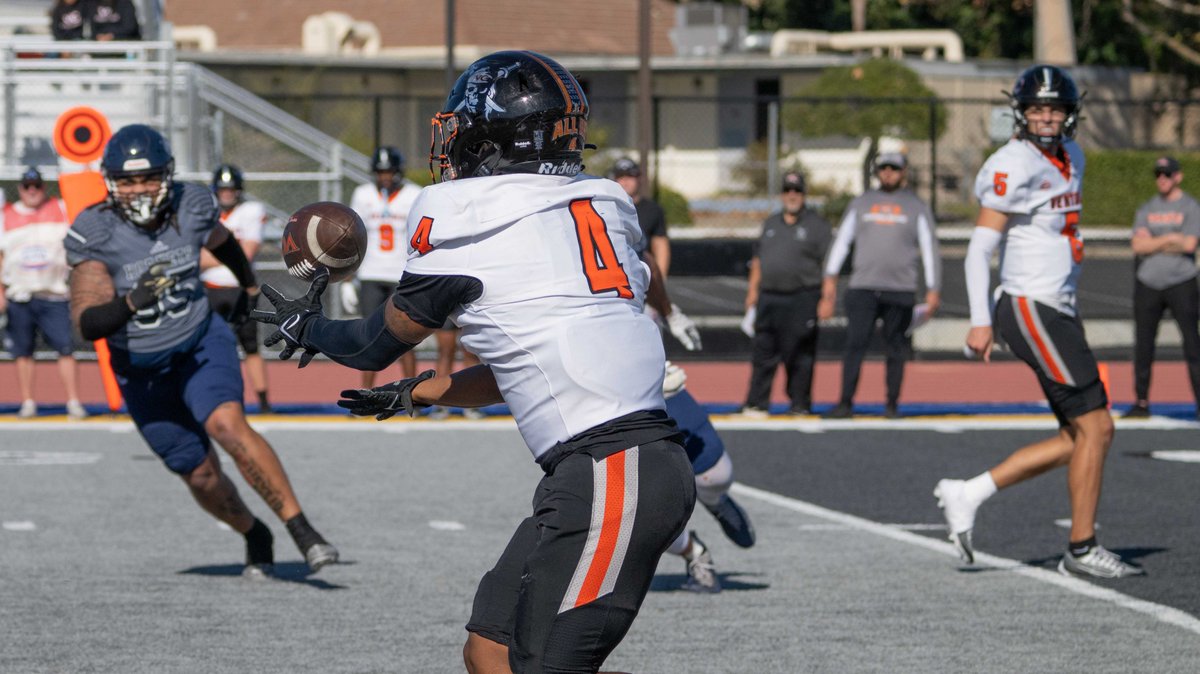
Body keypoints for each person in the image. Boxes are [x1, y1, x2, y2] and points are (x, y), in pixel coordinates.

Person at [254, 51, 695, 673]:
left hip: (613, 471)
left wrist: (308, 326)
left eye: (462, 128)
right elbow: (527, 361)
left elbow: (373, 346)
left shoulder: (466, 216)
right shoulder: (601, 205)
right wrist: (422, 393)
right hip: (606, 470)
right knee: (489, 649)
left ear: (492, 138)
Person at [63, 124, 337, 577]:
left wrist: (249, 285)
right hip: (140, 368)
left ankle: (302, 530)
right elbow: (85, 323)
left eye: (148, 177)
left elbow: (221, 242)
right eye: (128, 180)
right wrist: (131, 301)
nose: (139, 189)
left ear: (166, 176)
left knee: (227, 424)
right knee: (200, 473)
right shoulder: (95, 229)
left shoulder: (190, 204)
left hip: (197, 342)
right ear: (111, 182)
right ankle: (254, 532)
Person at [935, 65, 1144, 578]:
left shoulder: (1074, 156)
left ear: (1070, 114)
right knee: (1099, 425)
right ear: (1020, 113)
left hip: (1057, 307)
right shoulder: (1011, 162)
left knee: (1081, 435)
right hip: (1031, 306)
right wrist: (980, 319)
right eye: (1036, 108)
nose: (1046, 117)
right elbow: (979, 247)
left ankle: (969, 493)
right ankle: (1080, 547)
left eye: (1055, 108)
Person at [820, 152, 941, 419]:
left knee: (896, 348)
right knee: (855, 344)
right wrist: (829, 277)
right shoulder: (861, 203)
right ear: (877, 172)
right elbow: (842, 241)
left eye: (894, 168)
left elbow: (929, 248)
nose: (888, 173)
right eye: (883, 168)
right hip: (863, 287)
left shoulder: (916, 206)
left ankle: (892, 404)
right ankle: (845, 402)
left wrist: (934, 288)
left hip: (900, 290)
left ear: (903, 172)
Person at [741, 171, 832, 417]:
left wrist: (827, 298)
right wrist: (752, 292)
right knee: (763, 351)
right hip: (769, 296)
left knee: (799, 354)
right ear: (782, 194)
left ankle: (799, 403)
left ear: (804, 195)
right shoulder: (771, 223)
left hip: (802, 296)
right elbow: (758, 259)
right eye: (788, 190)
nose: (792, 195)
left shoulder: (817, 226)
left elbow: (829, 266)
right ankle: (757, 402)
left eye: (797, 191)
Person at [0, 167, 86, 420]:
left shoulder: (60, 208)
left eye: (36, 185)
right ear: (20, 189)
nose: (32, 190)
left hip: (54, 293)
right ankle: (28, 401)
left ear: (42, 187)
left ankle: (74, 401)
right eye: (27, 186)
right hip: (20, 294)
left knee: (66, 348)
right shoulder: (6, 216)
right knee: (23, 353)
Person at [1123, 156, 1200, 420]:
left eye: (1167, 174)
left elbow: (1190, 244)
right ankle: (1141, 401)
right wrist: (1169, 238)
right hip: (1148, 283)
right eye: (1158, 174)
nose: (1162, 179)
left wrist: (1154, 241)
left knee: (1192, 344)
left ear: (1177, 176)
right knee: (1143, 345)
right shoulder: (1147, 208)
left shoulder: (1190, 206)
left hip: (1182, 281)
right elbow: (1138, 246)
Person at [199, 164, 273, 413]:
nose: (227, 193)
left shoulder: (251, 211)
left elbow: (248, 253)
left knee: (251, 346)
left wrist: (214, 253)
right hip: (210, 289)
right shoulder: (205, 213)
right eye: (223, 189)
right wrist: (232, 253)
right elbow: (193, 258)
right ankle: (213, 397)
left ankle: (263, 402)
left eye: (231, 189)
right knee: (208, 346)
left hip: (242, 290)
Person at [346, 145, 420, 390]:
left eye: (388, 171)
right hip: (370, 273)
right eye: (380, 172)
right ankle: (364, 393)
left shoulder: (413, 194)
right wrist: (348, 277)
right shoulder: (363, 194)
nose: (385, 177)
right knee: (369, 335)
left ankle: (412, 393)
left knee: (405, 336)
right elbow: (352, 236)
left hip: (401, 274)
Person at [611, 157, 669, 277]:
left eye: (630, 176)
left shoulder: (653, 210)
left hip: (642, 273)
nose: (625, 181)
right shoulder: (605, 208)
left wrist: (660, 278)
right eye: (621, 177)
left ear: (639, 179)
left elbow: (660, 244)